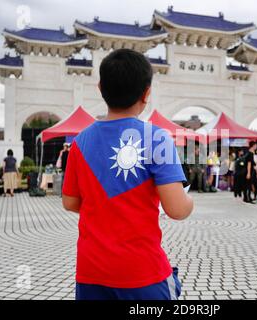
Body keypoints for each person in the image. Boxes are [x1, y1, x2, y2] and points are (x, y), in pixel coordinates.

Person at [62, 49, 193, 300]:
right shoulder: (157, 138)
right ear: (146, 94)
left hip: (91, 272)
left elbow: (70, 202)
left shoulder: (80, 142)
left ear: (100, 88)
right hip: (142, 273)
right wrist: (189, 200)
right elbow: (177, 209)